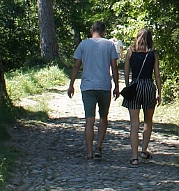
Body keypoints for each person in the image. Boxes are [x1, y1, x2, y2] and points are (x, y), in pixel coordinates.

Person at [67, 20, 120, 159]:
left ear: (92, 31)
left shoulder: (83, 44)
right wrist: (117, 86)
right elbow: (114, 67)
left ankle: (89, 153)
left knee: (89, 120)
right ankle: (99, 147)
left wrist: (71, 84)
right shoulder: (109, 44)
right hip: (104, 86)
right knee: (103, 117)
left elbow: (76, 66)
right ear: (104, 32)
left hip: (87, 87)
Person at [121, 28, 162, 166]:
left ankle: (134, 157)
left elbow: (126, 73)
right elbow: (157, 75)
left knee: (134, 123)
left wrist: (129, 87)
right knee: (148, 121)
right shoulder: (153, 54)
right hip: (149, 87)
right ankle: (144, 150)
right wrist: (160, 93)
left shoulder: (130, 52)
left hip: (135, 86)